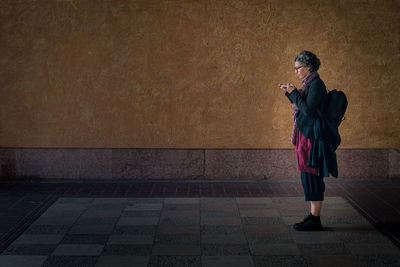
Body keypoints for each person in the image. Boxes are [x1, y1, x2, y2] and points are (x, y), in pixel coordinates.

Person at [278, 50, 330, 231]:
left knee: (311, 172)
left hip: (311, 137)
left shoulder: (316, 84)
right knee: (306, 172)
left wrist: (293, 94)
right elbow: (303, 107)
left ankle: (315, 218)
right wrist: (292, 93)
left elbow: (307, 109)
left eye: (298, 68)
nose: (296, 71)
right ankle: (312, 216)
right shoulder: (308, 84)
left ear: (308, 67)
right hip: (305, 134)